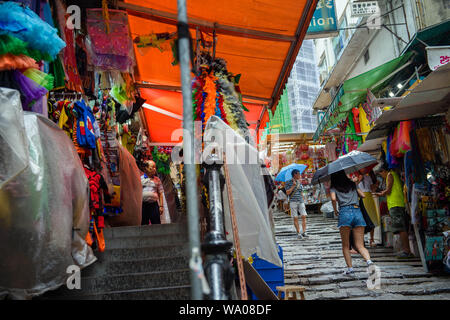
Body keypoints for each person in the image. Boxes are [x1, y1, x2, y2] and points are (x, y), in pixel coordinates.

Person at [330, 170, 374, 275]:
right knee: (360, 245)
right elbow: (363, 195)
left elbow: (333, 198)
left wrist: (335, 210)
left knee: (346, 245)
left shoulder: (334, 186)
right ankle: (369, 262)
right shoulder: (352, 184)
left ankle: (350, 269)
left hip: (344, 213)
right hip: (357, 212)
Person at [373, 163, 413, 258]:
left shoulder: (390, 175)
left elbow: (388, 190)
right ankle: (406, 250)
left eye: (381, 173)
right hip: (396, 204)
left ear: (384, 170)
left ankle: (407, 251)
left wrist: (379, 194)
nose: (381, 175)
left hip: (396, 204)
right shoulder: (392, 174)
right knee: (400, 228)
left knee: (401, 228)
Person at [358, 170, 379, 247]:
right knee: (362, 219)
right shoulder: (356, 178)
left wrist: (375, 185)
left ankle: (372, 239)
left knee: (371, 217)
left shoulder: (368, 177)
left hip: (369, 197)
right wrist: (359, 180)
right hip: (361, 198)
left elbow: (372, 188)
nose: (363, 170)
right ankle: (361, 240)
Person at [285, 169, 308, 239]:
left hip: (300, 201)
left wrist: (304, 201)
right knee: (295, 217)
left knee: (303, 216)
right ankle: (298, 233)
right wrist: (293, 186)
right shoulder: (288, 182)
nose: (299, 175)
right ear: (295, 174)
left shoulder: (299, 182)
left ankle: (304, 232)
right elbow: (287, 192)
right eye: (298, 174)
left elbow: (301, 192)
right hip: (293, 201)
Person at [141, 160, 164, 225]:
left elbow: (160, 193)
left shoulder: (157, 179)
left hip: (154, 205)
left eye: (155, 167)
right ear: (146, 168)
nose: (155, 169)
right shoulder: (140, 179)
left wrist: (161, 206)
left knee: (156, 223)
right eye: (152, 167)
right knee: (144, 224)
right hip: (143, 205)